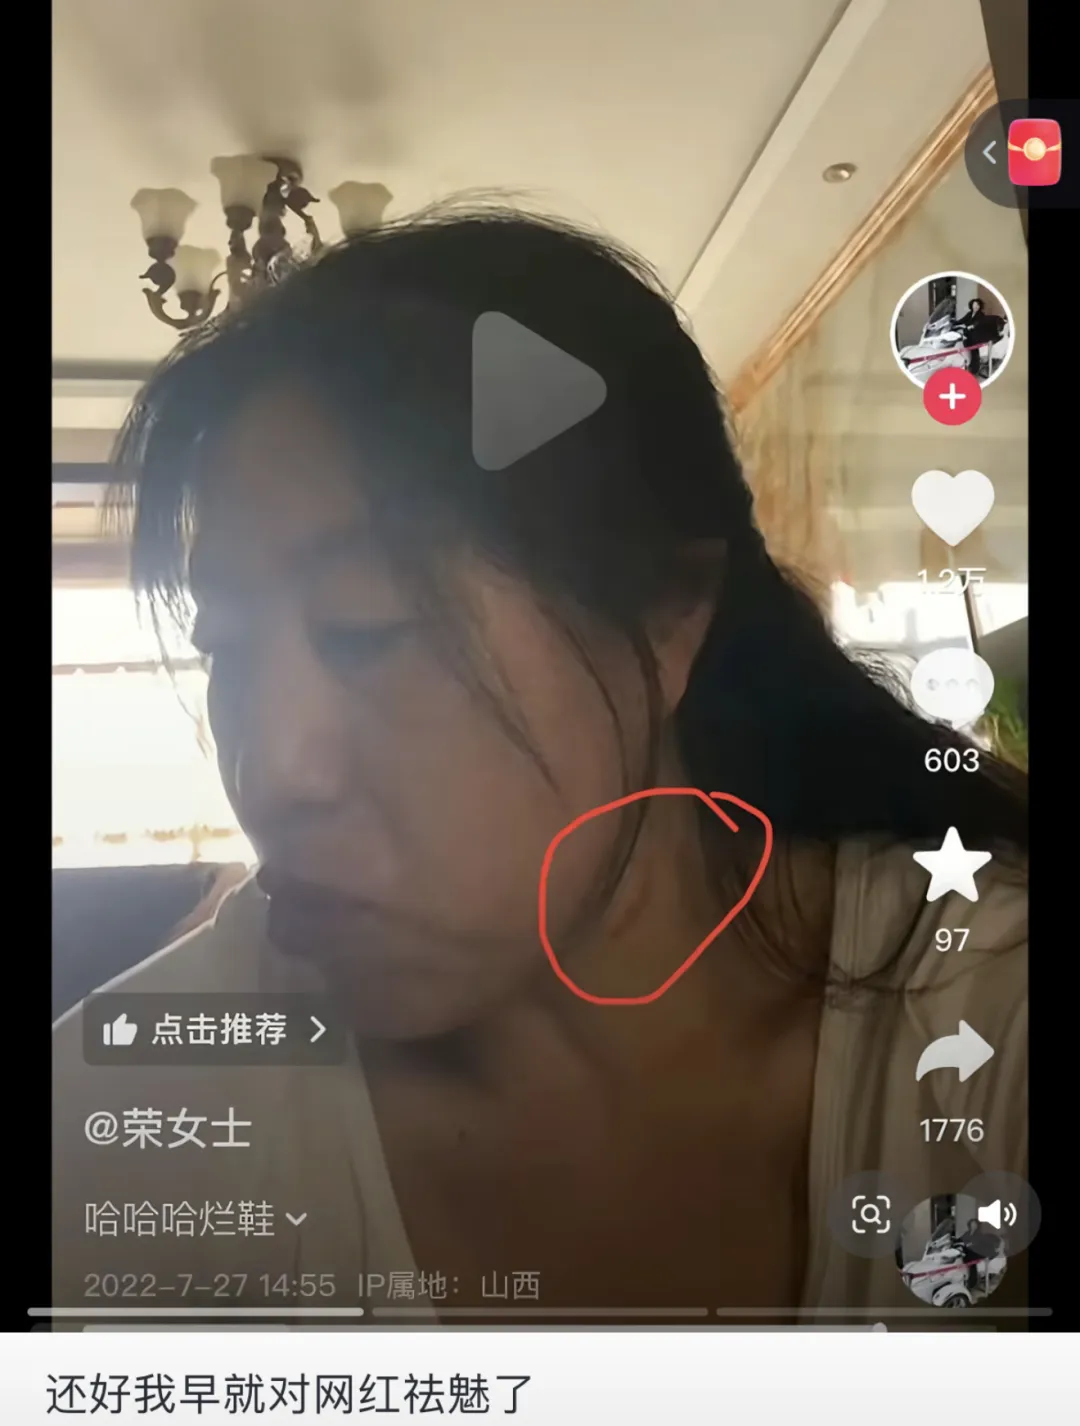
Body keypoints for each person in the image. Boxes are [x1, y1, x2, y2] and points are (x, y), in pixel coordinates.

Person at [52, 206, 1028, 1321]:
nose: (271, 774)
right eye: (225, 647)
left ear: (666, 615)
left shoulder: (984, 1032)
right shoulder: (127, 1123)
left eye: (367, 627)